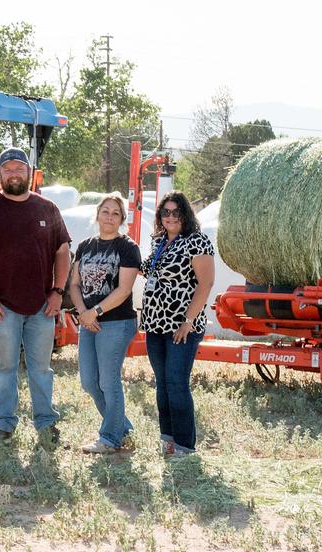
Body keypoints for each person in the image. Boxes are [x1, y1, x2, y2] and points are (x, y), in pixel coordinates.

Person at [0, 147, 71, 448]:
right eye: (7, 168)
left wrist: (58, 293)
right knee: (5, 369)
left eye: (18, 168)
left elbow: (62, 251)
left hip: (42, 307)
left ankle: (46, 425)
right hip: (3, 307)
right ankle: (4, 427)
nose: (13, 173)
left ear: (30, 173)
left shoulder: (47, 209)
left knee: (41, 369)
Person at [140, 191, 215, 457]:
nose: (170, 217)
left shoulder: (198, 242)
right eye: (165, 212)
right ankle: (168, 439)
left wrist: (188, 321)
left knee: (176, 382)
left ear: (185, 214)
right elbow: (146, 271)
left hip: (182, 325)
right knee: (161, 382)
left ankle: (185, 446)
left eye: (175, 212)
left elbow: (205, 284)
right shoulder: (159, 242)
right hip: (154, 324)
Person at [69, 195, 141, 454]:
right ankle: (122, 428)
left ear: (121, 219)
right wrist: (82, 312)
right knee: (89, 381)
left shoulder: (128, 247)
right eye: (105, 211)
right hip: (88, 322)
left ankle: (110, 438)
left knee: (108, 381)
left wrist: (95, 312)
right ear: (97, 214)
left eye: (115, 213)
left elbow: (123, 290)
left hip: (117, 322)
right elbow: (74, 284)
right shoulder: (85, 246)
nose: (109, 217)